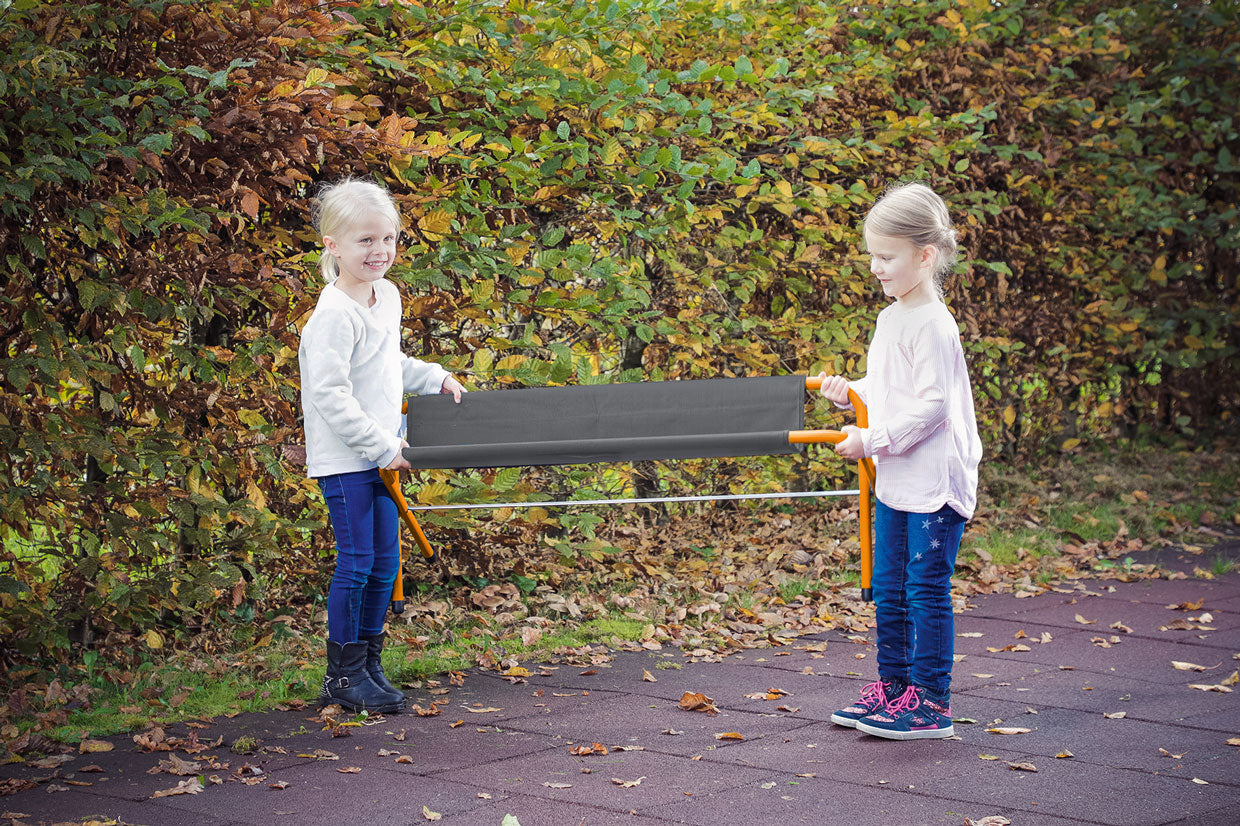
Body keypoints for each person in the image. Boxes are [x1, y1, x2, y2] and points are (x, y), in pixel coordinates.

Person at [818, 182, 982, 740]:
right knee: (887, 585)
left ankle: (931, 704)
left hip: (934, 481)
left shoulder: (935, 324)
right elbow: (891, 388)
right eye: (872, 255)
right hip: (895, 478)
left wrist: (871, 440)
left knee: (924, 588)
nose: (875, 267)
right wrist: (852, 394)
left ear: (925, 255)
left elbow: (933, 407)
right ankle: (893, 690)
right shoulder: (892, 319)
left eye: (886, 257)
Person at [298, 179, 465, 713]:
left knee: (386, 562)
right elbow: (329, 393)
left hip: (380, 453)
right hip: (349, 459)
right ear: (333, 246)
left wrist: (432, 376)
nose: (379, 251)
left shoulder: (385, 296)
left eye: (388, 239)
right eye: (365, 241)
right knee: (357, 561)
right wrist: (379, 445)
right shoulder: (333, 316)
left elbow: (385, 364)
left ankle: (369, 662)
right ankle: (342, 675)